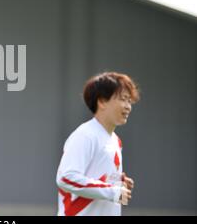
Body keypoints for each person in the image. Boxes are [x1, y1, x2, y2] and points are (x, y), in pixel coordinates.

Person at [56, 72, 139, 216]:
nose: (128, 107)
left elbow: (96, 178)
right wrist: (112, 191)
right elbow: (66, 177)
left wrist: (118, 181)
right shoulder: (85, 135)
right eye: (123, 99)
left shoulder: (115, 140)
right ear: (102, 102)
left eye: (129, 101)